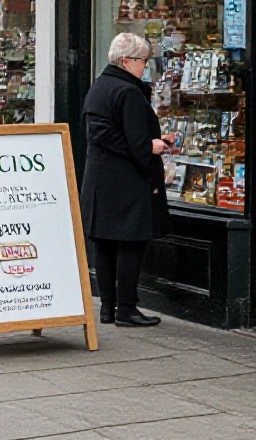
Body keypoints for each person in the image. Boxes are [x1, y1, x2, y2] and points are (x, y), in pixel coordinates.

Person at [80, 32, 172, 327]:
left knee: (105, 243)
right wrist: (152, 146)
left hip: (100, 178)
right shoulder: (129, 92)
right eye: (143, 60)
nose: (145, 66)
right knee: (132, 242)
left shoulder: (99, 87)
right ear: (126, 61)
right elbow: (134, 140)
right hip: (127, 179)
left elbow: (100, 134)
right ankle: (127, 308)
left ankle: (108, 308)